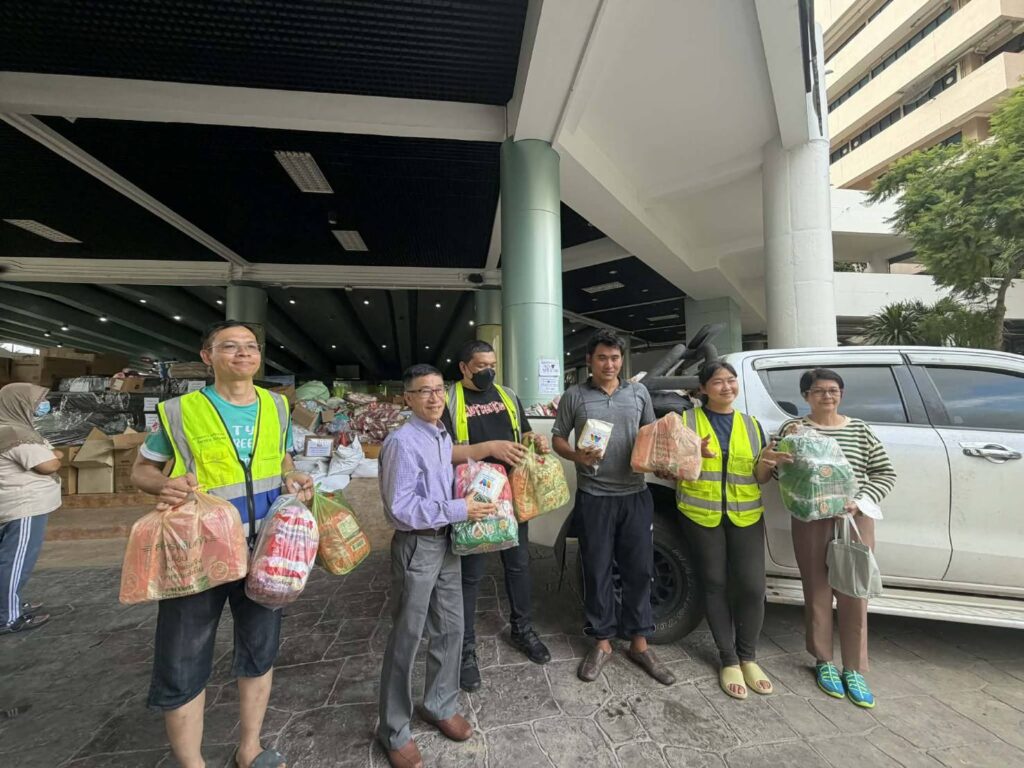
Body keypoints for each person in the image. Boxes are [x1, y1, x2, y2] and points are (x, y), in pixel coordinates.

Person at [131, 321, 313, 768]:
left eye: (251, 346)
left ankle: (250, 747)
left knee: (260, 650)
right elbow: (141, 470)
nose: (243, 353)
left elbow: (282, 458)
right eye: (230, 346)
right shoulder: (180, 411)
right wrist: (164, 485)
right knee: (184, 657)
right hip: (199, 552)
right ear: (207, 356)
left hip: (265, 551)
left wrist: (292, 474)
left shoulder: (276, 406)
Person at [377, 364, 495, 768]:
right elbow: (401, 509)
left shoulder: (441, 434)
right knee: (408, 636)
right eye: (423, 391)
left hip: (447, 541)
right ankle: (393, 729)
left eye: (438, 390)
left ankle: (439, 704)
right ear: (407, 398)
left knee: (451, 627)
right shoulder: (402, 442)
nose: (433, 397)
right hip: (417, 545)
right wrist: (460, 508)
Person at [552, 330, 674, 685]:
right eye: (602, 358)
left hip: (635, 494)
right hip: (594, 497)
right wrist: (575, 455)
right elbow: (558, 437)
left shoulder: (638, 393)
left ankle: (639, 643)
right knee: (597, 570)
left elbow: (650, 435)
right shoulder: (574, 396)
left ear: (622, 360)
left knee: (639, 570)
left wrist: (661, 461)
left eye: (615, 358)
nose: (609, 364)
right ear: (589, 361)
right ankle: (602, 642)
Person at [778, 368, 896, 709]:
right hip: (811, 520)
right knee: (816, 590)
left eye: (833, 390)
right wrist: (781, 459)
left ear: (841, 394)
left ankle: (854, 669)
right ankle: (824, 661)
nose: (827, 396)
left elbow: (885, 472)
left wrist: (860, 501)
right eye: (818, 391)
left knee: (854, 592)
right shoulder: (793, 430)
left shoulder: (860, 430)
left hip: (854, 520)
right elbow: (778, 473)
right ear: (806, 396)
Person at [442, 339, 552, 692]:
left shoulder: (508, 396)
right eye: (480, 366)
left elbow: (523, 431)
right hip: (474, 497)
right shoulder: (448, 400)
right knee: (470, 575)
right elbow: (442, 452)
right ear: (463, 367)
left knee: (518, 565)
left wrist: (536, 439)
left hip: (511, 495)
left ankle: (523, 629)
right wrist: (489, 448)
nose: (488, 371)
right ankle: (465, 649)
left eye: (492, 365)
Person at [677, 362, 790, 699]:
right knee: (715, 584)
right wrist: (694, 454)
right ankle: (728, 659)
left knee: (753, 587)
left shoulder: (751, 425)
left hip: (746, 514)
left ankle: (748, 657)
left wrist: (767, 463)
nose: (726, 387)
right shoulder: (685, 421)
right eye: (717, 382)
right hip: (701, 513)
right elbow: (670, 467)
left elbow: (759, 477)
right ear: (702, 388)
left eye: (731, 381)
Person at [0, 383, 61, 635]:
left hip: (13, 504)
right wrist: (55, 456)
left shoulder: (10, 427)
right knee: (15, 562)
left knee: (8, 559)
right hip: (23, 506)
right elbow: (49, 464)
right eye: (35, 401)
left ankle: (8, 603)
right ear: (19, 403)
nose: (40, 406)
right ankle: (7, 616)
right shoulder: (14, 432)